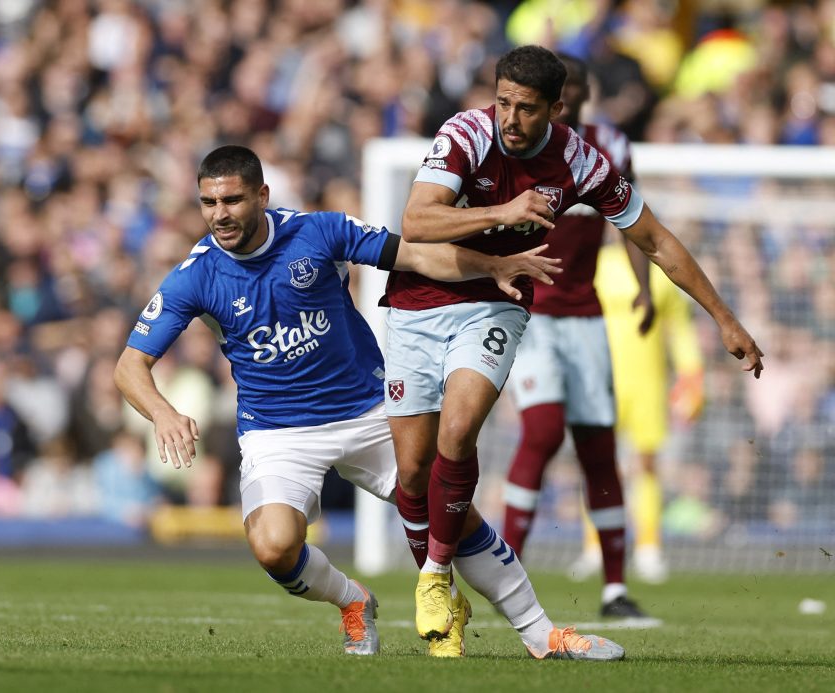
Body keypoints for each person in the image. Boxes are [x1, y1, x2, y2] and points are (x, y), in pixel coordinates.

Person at [115, 144, 624, 660]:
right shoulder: (195, 275)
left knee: (455, 514)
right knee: (272, 546)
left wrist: (491, 265)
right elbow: (129, 366)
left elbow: (415, 254)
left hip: (369, 413)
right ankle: (353, 601)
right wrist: (163, 412)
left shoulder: (317, 232)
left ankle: (543, 635)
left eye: (232, 200)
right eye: (208, 203)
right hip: (278, 432)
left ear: (262, 195)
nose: (219, 214)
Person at [382, 45, 763, 643]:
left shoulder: (583, 162)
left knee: (462, 431)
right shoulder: (466, 133)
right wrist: (502, 211)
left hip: (498, 300)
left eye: (526, 109)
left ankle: (435, 575)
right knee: (411, 470)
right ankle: (448, 595)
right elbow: (417, 221)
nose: (509, 118)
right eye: (503, 101)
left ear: (557, 109)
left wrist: (724, 318)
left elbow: (656, 239)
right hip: (417, 302)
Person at [501, 53, 656, 620]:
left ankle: (615, 588)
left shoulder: (608, 146)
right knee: (540, 432)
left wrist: (643, 289)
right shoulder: (513, 145)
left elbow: (632, 224)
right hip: (530, 314)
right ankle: (506, 567)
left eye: (581, 88)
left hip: (586, 315)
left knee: (598, 448)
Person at [567, 237, 706, 584]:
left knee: (646, 462)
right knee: (597, 462)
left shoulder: (660, 275)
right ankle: (594, 547)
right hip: (598, 381)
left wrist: (691, 374)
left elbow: (680, 329)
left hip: (647, 384)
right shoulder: (594, 266)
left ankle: (647, 547)